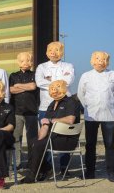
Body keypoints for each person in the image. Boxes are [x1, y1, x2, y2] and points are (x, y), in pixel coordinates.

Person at [20, 80, 81, 184]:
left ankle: (32, 175)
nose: (54, 91)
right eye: (52, 89)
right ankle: (44, 169)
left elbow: (70, 120)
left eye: (57, 88)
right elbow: (46, 125)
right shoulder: (51, 104)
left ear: (63, 89)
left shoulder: (71, 102)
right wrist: (39, 137)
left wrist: (52, 120)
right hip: (53, 138)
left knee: (39, 144)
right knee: (33, 142)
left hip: (67, 140)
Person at [77, 51, 114, 182]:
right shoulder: (86, 76)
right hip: (91, 115)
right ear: (92, 61)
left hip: (109, 115)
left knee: (109, 144)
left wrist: (113, 107)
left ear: (107, 62)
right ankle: (90, 172)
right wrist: (87, 108)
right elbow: (80, 94)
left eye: (104, 59)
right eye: (97, 59)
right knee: (90, 144)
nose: (100, 61)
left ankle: (111, 172)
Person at [35, 41, 75, 174]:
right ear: (47, 52)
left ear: (62, 53)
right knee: (44, 136)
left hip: (65, 106)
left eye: (57, 50)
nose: (53, 52)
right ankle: (46, 166)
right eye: (50, 50)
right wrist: (58, 84)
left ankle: (64, 167)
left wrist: (52, 83)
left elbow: (68, 81)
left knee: (65, 135)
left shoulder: (68, 66)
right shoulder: (41, 67)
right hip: (46, 106)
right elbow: (39, 82)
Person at [9, 52, 38, 168]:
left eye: (28, 60)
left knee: (32, 139)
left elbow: (33, 86)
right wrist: (26, 87)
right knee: (16, 138)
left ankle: (32, 163)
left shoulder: (35, 74)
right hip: (17, 111)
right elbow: (11, 90)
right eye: (22, 61)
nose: (25, 63)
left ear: (31, 62)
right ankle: (16, 163)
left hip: (32, 112)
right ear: (18, 62)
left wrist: (18, 86)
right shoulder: (13, 75)